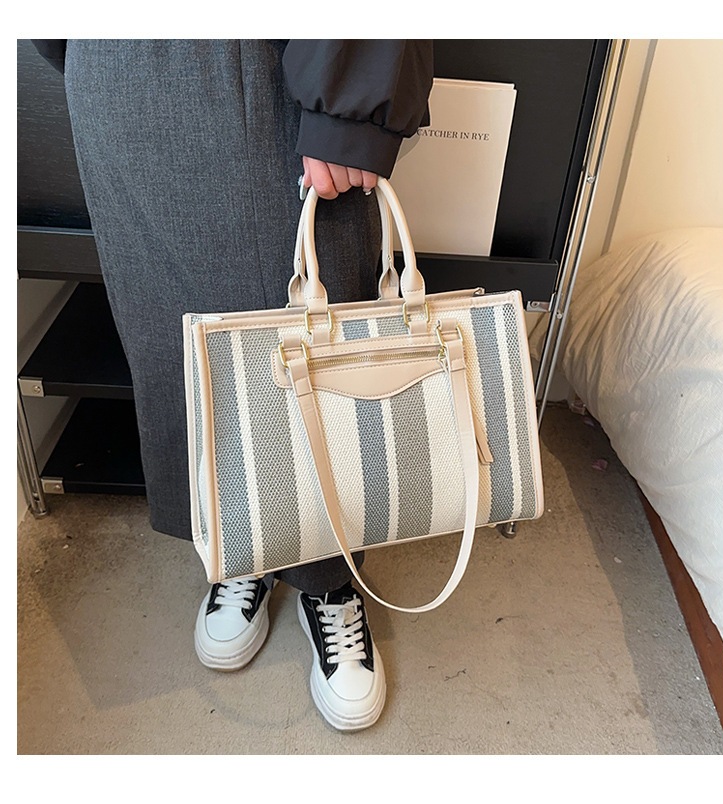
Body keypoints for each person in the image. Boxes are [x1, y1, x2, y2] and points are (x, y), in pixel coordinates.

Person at [32, 39, 433, 732]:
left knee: (313, 341)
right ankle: (242, 545)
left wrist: (350, 104)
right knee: (179, 342)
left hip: (267, 57)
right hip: (120, 67)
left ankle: (328, 578)